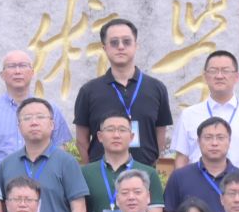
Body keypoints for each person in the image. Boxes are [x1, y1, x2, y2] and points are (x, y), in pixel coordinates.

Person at [72, 18, 173, 165]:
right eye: (114, 42)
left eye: (126, 42)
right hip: (102, 173)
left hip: (143, 173)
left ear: (136, 46)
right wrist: (92, 171)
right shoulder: (89, 91)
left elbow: (160, 135)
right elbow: (82, 140)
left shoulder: (156, 88)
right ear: (104, 48)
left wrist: (150, 167)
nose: (120, 47)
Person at [169, 50, 239, 185]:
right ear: (205, 76)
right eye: (213, 71)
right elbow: (182, 158)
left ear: (237, 76)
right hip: (196, 191)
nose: (219, 76)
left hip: (238, 192)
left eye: (225, 71)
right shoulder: (189, 115)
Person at [0, 101, 88, 212]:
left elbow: (79, 208)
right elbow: (0, 208)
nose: (34, 122)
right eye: (27, 118)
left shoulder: (66, 162)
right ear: (19, 127)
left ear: (52, 124)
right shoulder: (7, 164)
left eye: (40, 117)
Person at [0, 51, 62, 165]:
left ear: (32, 73)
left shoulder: (50, 109)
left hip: (42, 174)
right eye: (11, 66)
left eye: (23, 65)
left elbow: (61, 149)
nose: (17, 71)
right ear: (2, 75)